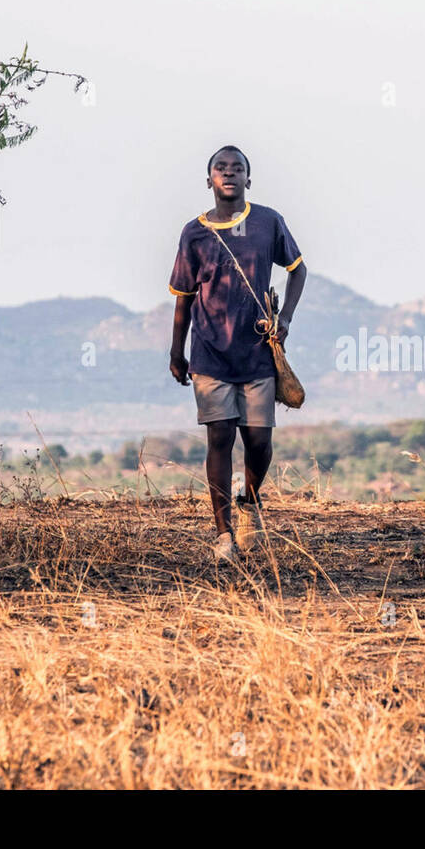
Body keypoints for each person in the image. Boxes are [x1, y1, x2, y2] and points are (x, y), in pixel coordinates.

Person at [168, 146, 307, 561]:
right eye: (220, 168)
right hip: (209, 353)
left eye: (237, 168)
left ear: (249, 178)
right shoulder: (193, 233)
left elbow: (297, 269)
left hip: (257, 351)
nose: (229, 174)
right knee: (219, 437)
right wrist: (177, 352)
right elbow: (184, 297)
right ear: (208, 179)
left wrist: (287, 320)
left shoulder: (268, 222)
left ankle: (250, 501)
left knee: (259, 440)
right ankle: (224, 534)